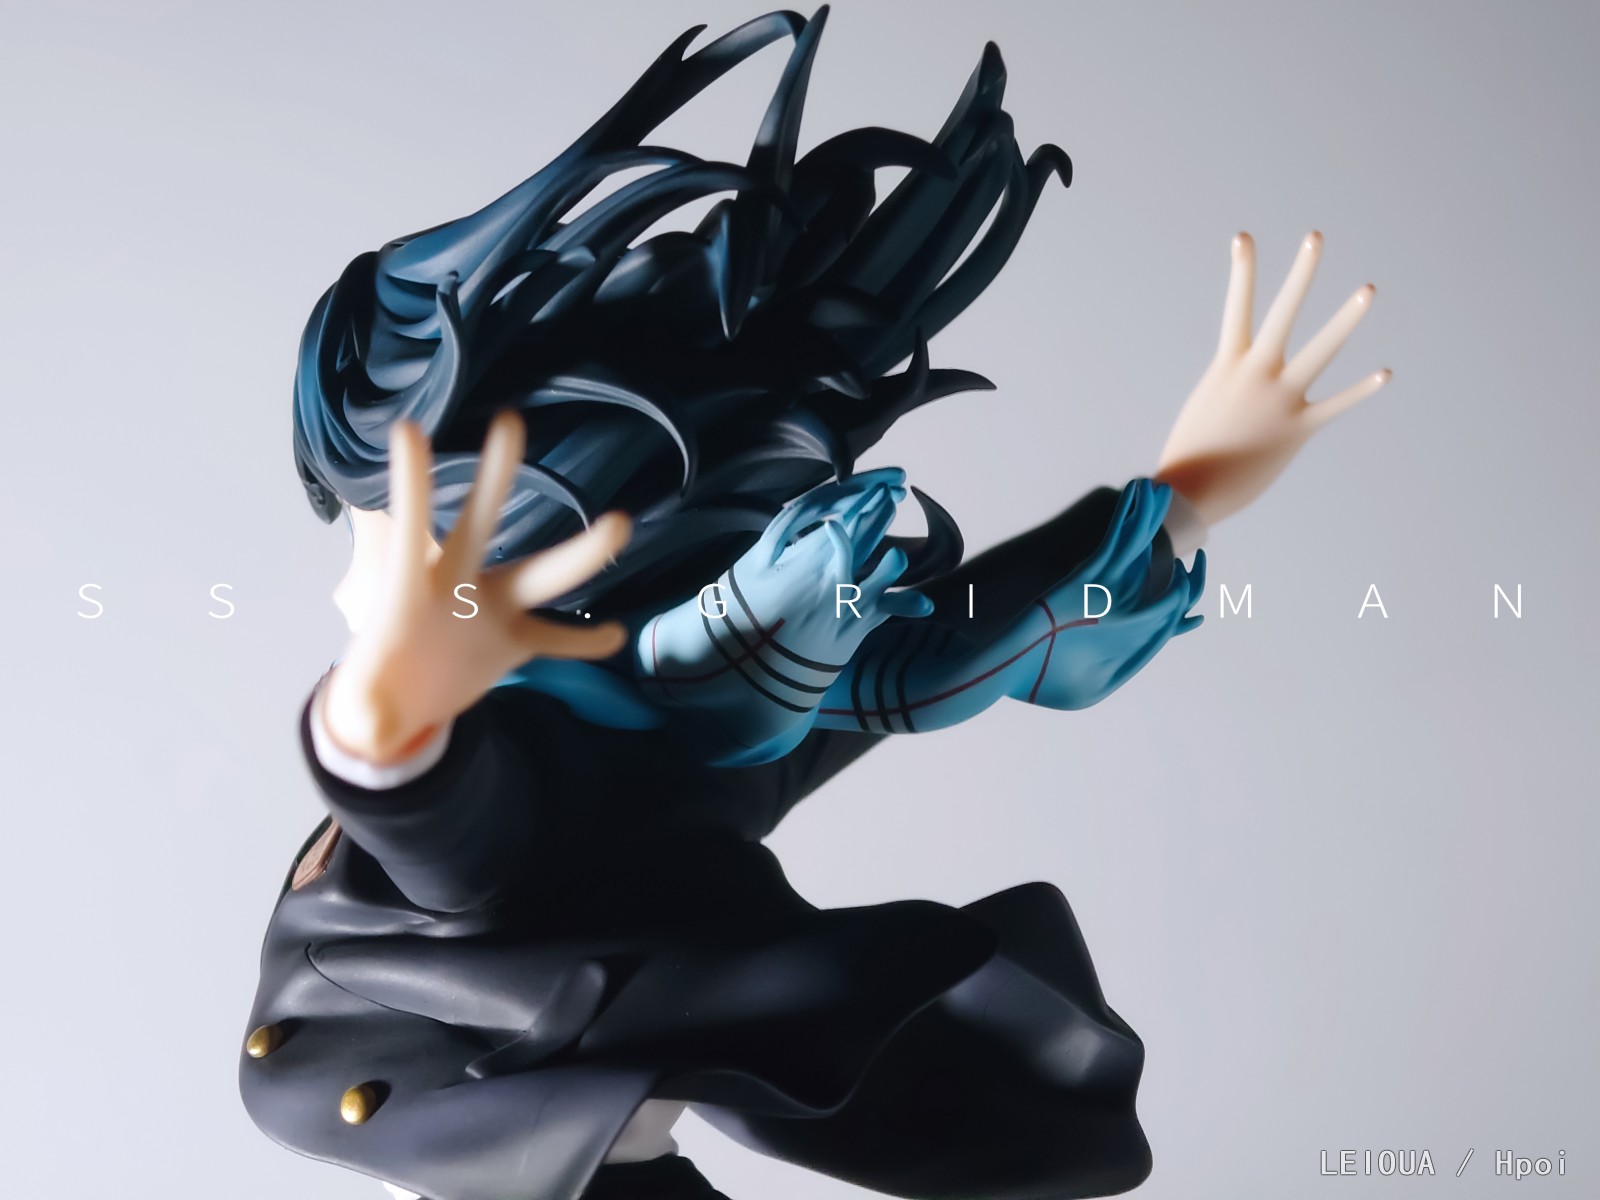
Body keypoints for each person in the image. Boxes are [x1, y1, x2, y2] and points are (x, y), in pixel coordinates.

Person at [241, 10, 1389, 1199]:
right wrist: (1188, 497)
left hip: (538, 1145)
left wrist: (384, 716)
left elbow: (441, 821)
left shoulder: (558, 759)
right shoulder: (684, 735)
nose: (353, 575)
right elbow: (966, 636)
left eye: (384, 528)